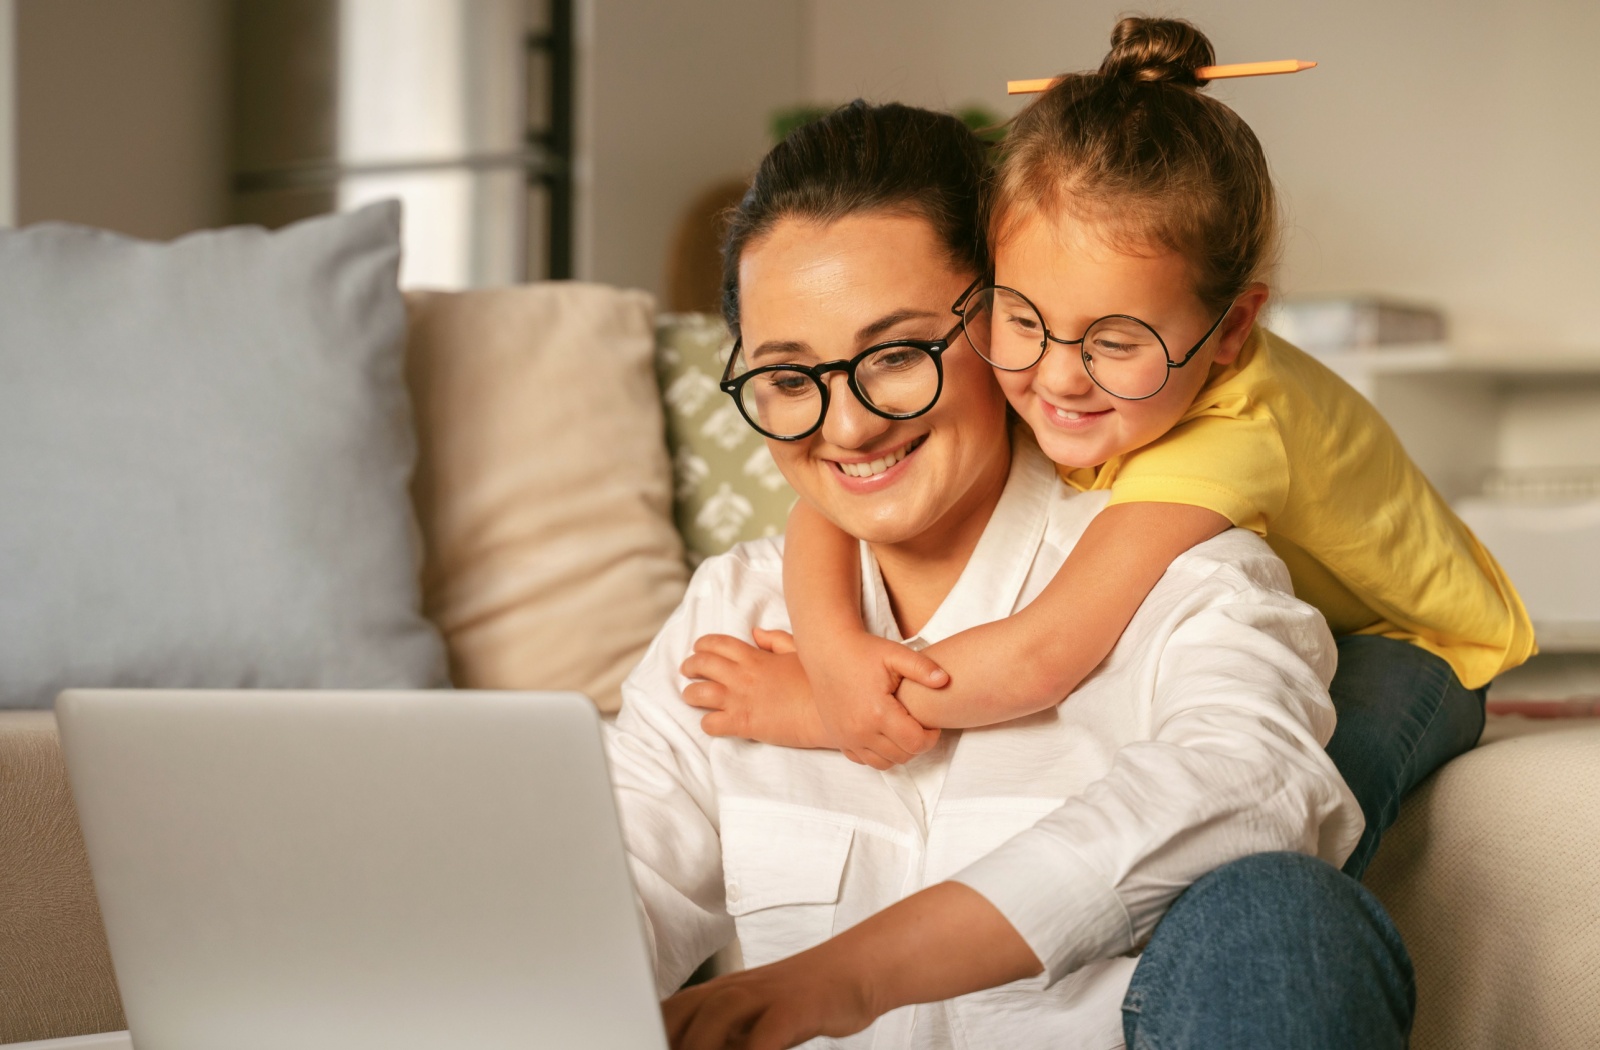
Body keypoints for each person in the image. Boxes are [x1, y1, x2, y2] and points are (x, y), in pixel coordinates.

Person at [609, 100, 1411, 1050]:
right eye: (789, 379)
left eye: (898, 355)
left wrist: (850, 977)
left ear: (1006, 320)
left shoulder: (1183, 575)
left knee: (1286, 918)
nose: (849, 426)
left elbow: (1255, 785)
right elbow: (600, 906)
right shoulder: (733, 617)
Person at [762, 17, 1535, 879]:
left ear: (1230, 329)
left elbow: (1040, 655)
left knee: (1274, 823)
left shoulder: (1224, 438)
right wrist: (834, 650)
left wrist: (819, 704)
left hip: (1402, 644)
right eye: (1020, 320)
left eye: (1117, 339)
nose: (1057, 381)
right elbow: (826, 499)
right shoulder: (1070, 370)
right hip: (1263, 626)